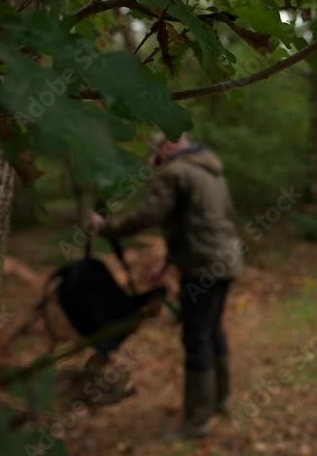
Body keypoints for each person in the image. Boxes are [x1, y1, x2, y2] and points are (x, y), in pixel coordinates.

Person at [90, 132, 243, 439]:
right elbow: (205, 220)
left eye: (156, 156)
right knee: (212, 330)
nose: (155, 163)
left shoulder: (176, 172)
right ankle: (218, 401)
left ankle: (197, 421)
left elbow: (148, 214)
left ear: (168, 146)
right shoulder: (211, 170)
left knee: (197, 336)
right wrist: (171, 258)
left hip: (202, 267)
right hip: (227, 261)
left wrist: (104, 227)